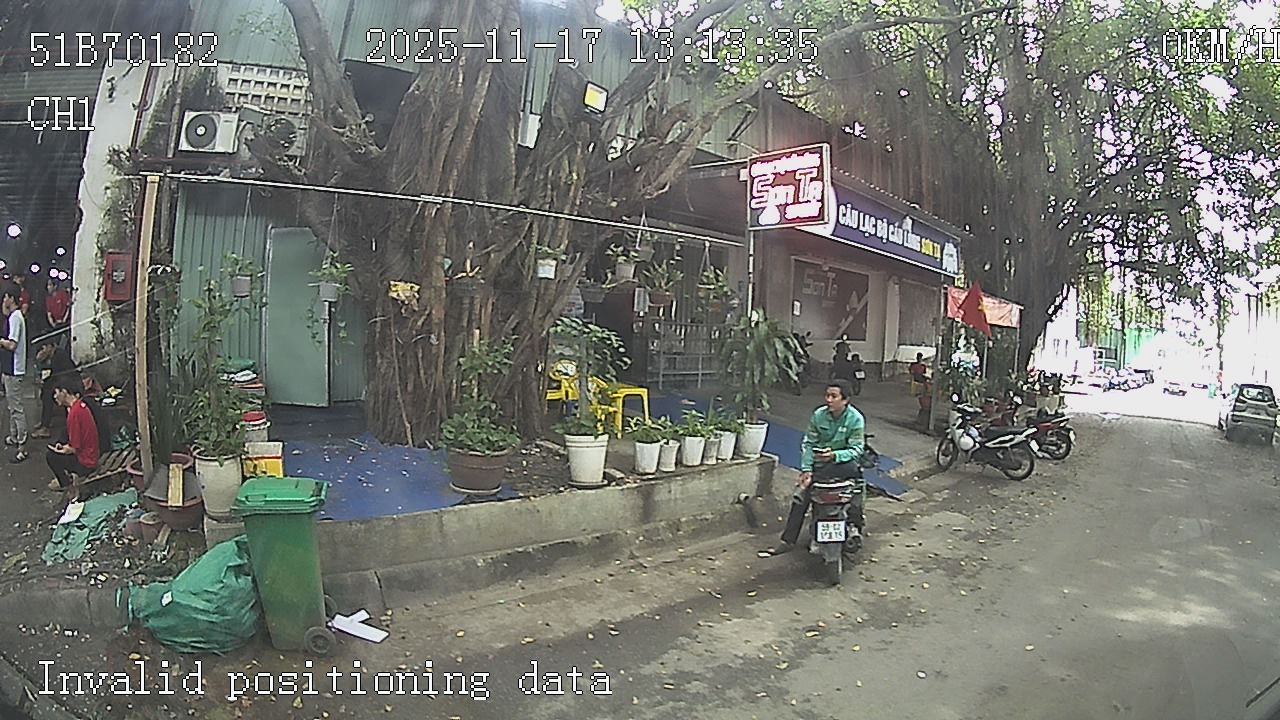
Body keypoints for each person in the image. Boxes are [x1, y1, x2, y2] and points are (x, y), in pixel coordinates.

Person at [760, 379, 866, 557]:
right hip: (819, 465)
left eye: (834, 396)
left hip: (842, 464)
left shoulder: (856, 419)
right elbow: (809, 443)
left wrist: (834, 455)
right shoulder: (818, 415)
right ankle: (787, 540)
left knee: (857, 489)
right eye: (827, 395)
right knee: (800, 500)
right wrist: (807, 469)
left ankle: (855, 528)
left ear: (845, 400)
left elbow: (856, 449)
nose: (828, 400)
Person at [46, 377, 99, 499]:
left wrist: (62, 449)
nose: (55, 397)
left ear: (64, 392)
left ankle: (68, 486)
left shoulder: (74, 413)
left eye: (56, 393)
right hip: (92, 454)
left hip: (86, 462)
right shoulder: (80, 406)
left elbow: (74, 448)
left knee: (51, 457)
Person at [0, 285, 29, 462]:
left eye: (5, 297)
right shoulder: (12, 316)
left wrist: (1, 341)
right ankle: (14, 436)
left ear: (11, 298)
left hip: (14, 368)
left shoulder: (16, 318)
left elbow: (12, 344)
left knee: (17, 408)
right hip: (8, 368)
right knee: (11, 406)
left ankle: (22, 446)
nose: (3, 300)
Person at [31, 335, 75, 439]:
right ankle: (44, 421)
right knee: (45, 389)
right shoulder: (54, 355)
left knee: (48, 394)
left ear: (50, 346)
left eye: (44, 348)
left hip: (69, 383)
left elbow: (58, 375)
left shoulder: (59, 355)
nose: (43, 351)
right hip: (61, 380)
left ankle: (45, 427)